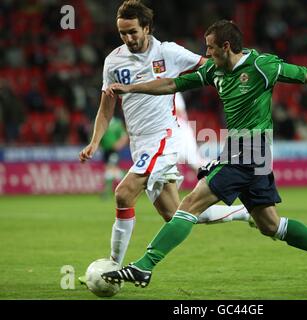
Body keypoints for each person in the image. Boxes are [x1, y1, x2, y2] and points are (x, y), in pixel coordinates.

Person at [101, 20, 307, 291]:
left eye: (211, 48)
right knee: (270, 225)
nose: (207, 54)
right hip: (246, 152)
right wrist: (131, 89)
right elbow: (171, 84)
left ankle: (144, 266)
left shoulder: (263, 66)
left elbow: (306, 75)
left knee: (190, 204)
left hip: (250, 150)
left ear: (226, 47)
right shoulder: (215, 70)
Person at [78, 2, 251, 278]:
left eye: (133, 32)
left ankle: (113, 265)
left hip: (164, 138)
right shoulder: (113, 61)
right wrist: (95, 141)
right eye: (122, 33)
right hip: (139, 143)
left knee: (123, 193)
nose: (128, 38)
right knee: (176, 215)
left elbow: (211, 66)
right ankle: (244, 212)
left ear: (146, 27)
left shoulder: (168, 52)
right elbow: (106, 108)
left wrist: (239, 81)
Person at [99, 116, 129, 199]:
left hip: (113, 151)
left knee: (110, 169)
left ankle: (106, 192)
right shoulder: (102, 121)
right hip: (105, 151)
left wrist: (119, 144)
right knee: (112, 171)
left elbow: (124, 136)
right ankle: (127, 186)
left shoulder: (117, 123)